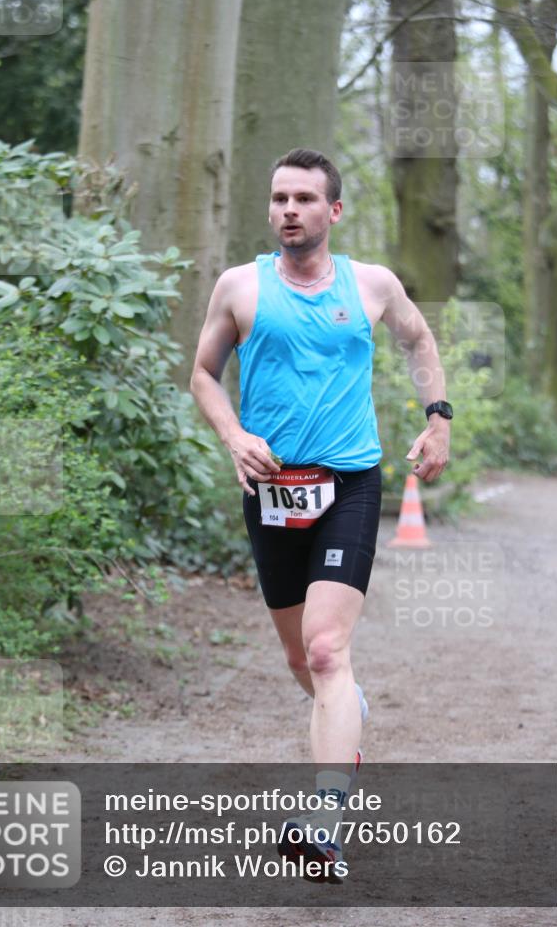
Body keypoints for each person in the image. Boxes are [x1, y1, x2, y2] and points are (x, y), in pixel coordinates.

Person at [190, 147, 451, 881]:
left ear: (333, 211)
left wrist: (438, 419)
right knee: (301, 661)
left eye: (304, 198)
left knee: (328, 649)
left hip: (348, 485)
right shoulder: (240, 288)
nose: (289, 210)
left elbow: (417, 338)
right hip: (270, 492)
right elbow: (202, 374)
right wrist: (234, 434)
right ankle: (348, 715)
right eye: (278, 198)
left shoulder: (370, 285)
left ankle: (325, 824)